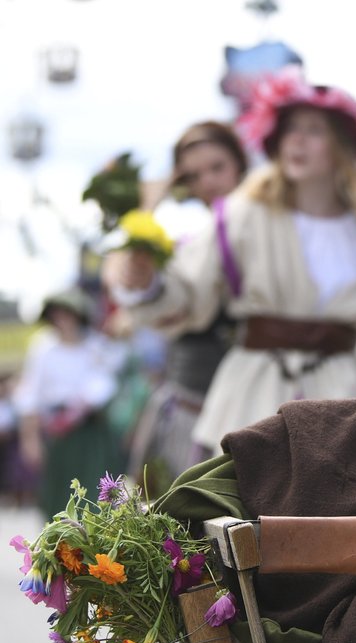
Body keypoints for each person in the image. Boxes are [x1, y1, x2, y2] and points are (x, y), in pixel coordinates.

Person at [102, 67, 356, 458]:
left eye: (313, 129)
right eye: (289, 129)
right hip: (248, 396)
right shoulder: (241, 216)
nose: (296, 140)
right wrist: (147, 282)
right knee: (234, 512)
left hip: (342, 406)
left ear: (342, 144)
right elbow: (188, 293)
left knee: (334, 514)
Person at [122, 120, 249, 491]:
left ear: (240, 164)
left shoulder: (268, 224)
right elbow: (162, 295)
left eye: (217, 167)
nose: (207, 181)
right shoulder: (196, 241)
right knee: (174, 530)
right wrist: (150, 203)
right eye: (193, 176)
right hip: (188, 401)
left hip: (253, 400)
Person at [11, 287, 128, 519]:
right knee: (58, 497)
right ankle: (60, 551)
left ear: (79, 316)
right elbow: (30, 394)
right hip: (57, 435)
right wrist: (30, 438)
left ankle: (96, 552)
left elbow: (105, 382)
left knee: (95, 498)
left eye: (68, 314)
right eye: (57, 315)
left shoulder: (96, 346)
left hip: (90, 434)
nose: (62, 321)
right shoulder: (43, 347)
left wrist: (80, 409)